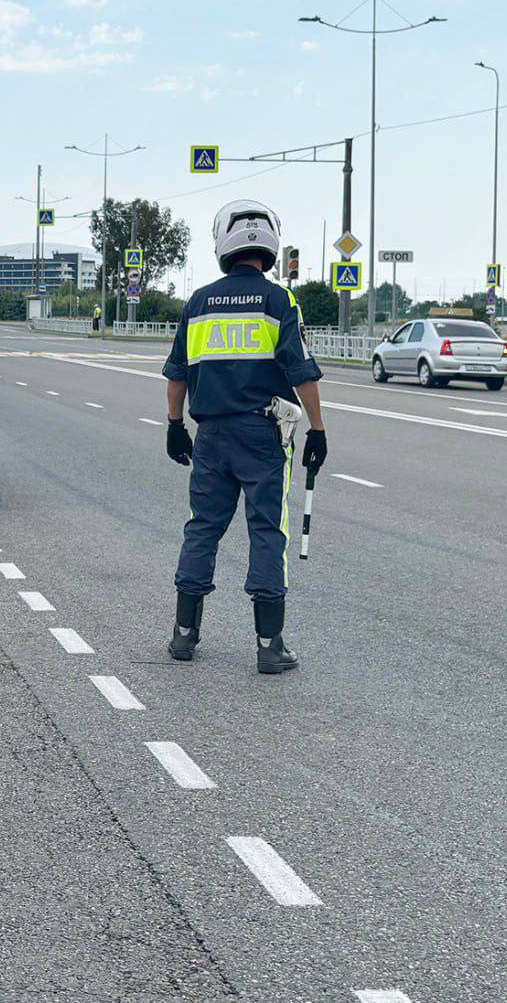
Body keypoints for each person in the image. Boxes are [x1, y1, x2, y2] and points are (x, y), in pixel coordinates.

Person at [162, 200, 328, 674]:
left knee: (202, 528)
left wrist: (175, 425)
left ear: (224, 244)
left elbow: (177, 373)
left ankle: (183, 636)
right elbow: (301, 372)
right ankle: (269, 645)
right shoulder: (279, 301)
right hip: (262, 435)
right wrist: (317, 429)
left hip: (211, 435)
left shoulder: (198, 302)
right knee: (266, 532)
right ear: (269, 244)